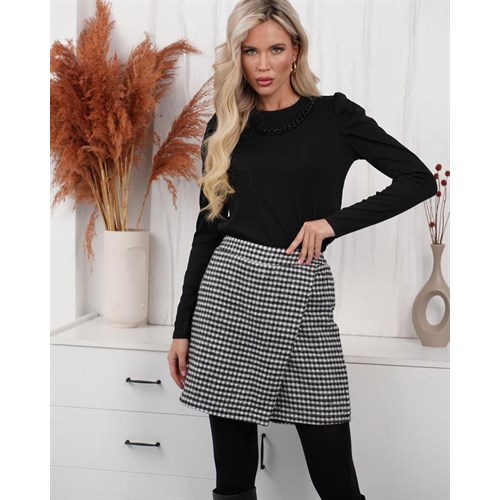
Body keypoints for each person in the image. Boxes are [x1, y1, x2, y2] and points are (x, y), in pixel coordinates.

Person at [167, 1, 437, 499]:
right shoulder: (224, 126)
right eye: (250, 51)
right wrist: (182, 329)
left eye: (275, 49)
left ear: (296, 51)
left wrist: (332, 224)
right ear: (237, 56)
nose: (263, 64)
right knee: (233, 478)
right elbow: (207, 232)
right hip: (229, 299)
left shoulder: (334, 115)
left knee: (336, 475)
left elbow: (418, 179)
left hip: (302, 292)